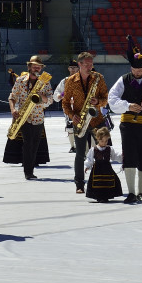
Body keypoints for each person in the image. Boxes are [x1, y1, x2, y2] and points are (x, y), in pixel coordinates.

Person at [108, 49, 142, 203]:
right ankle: (131, 192)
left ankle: (141, 192)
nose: (137, 72)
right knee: (129, 155)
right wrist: (128, 106)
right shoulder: (123, 79)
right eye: (134, 69)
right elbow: (112, 99)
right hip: (128, 123)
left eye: (140, 69)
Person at [61, 52, 109, 195]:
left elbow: (105, 98)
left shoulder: (98, 78)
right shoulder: (70, 81)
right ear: (79, 64)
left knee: (103, 151)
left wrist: (98, 102)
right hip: (80, 121)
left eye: (91, 64)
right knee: (80, 154)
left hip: (96, 120)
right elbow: (65, 103)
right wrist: (72, 115)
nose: (90, 67)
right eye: (87, 64)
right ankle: (79, 184)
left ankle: (104, 181)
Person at [8, 55, 54, 181]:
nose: (37, 68)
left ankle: (30, 169)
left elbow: (50, 100)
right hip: (24, 117)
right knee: (28, 144)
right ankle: (28, 171)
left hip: (38, 117)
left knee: (35, 145)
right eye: (34, 66)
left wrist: (42, 96)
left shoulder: (45, 81)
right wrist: (13, 109)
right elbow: (12, 97)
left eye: (39, 66)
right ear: (29, 67)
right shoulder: (20, 80)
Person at [85, 126, 124, 203]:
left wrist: (122, 157)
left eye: (106, 141)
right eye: (102, 141)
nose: (104, 143)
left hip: (107, 169)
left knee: (107, 182)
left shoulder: (109, 149)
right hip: (97, 169)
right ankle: (98, 196)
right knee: (98, 182)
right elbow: (89, 159)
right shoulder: (94, 149)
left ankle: (106, 196)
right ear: (98, 139)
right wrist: (87, 166)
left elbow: (115, 156)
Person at [52, 59, 78, 153]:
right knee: (70, 126)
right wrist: (61, 95)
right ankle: (73, 146)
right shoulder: (65, 81)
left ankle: (81, 145)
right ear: (68, 68)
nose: (73, 69)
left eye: (75, 68)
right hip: (68, 107)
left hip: (79, 106)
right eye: (71, 67)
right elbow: (57, 93)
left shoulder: (82, 79)